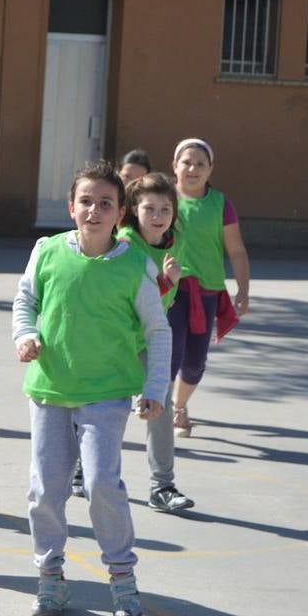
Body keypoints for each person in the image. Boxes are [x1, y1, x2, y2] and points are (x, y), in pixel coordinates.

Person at [12, 160, 170, 616]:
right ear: (71, 207)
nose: (94, 211)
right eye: (86, 202)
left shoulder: (133, 265)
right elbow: (26, 300)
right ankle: (50, 574)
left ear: (121, 212)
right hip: (50, 388)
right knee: (46, 488)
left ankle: (121, 575)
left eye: (105, 203)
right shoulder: (46, 251)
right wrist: (24, 334)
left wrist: (155, 387)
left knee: (102, 483)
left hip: (107, 393)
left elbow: (158, 331)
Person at [116, 172, 194, 514]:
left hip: (150, 336)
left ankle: (162, 485)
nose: (159, 216)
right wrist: (165, 283)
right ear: (135, 208)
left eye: (166, 209)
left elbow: (163, 302)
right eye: (150, 209)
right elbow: (132, 298)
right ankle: (81, 468)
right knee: (104, 405)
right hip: (117, 338)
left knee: (159, 405)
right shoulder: (126, 243)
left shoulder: (176, 241)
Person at [168, 138, 249, 438]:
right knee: (169, 352)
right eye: (186, 162)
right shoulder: (163, 199)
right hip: (170, 289)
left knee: (194, 362)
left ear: (210, 169)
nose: (193, 168)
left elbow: (236, 250)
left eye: (200, 163)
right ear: (174, 166)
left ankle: (180, 404)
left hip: (207, 292)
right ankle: (163, 406)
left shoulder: (220, 204)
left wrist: (243, 289)